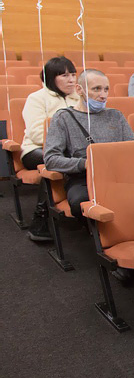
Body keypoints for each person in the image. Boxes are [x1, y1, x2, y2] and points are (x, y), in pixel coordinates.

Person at [43, 69, 134, 219]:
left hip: (118, 175)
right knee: (80, 201)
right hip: (84, 178)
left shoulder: (115, 115)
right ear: (79, 90)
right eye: (96, 89)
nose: (103, 95)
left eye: (106, 89)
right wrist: (85, 164)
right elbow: (51, 159)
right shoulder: (63, 118)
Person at [20, 56, 79, 241]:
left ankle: (81, 210)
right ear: (51, 78)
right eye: (64, 75)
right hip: (35, 149)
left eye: (73, 74)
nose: (71, 79)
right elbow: (37, 133)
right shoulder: (36, 99)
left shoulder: (79, 97)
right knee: (54, 162)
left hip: (70, 151)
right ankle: (41, 219)